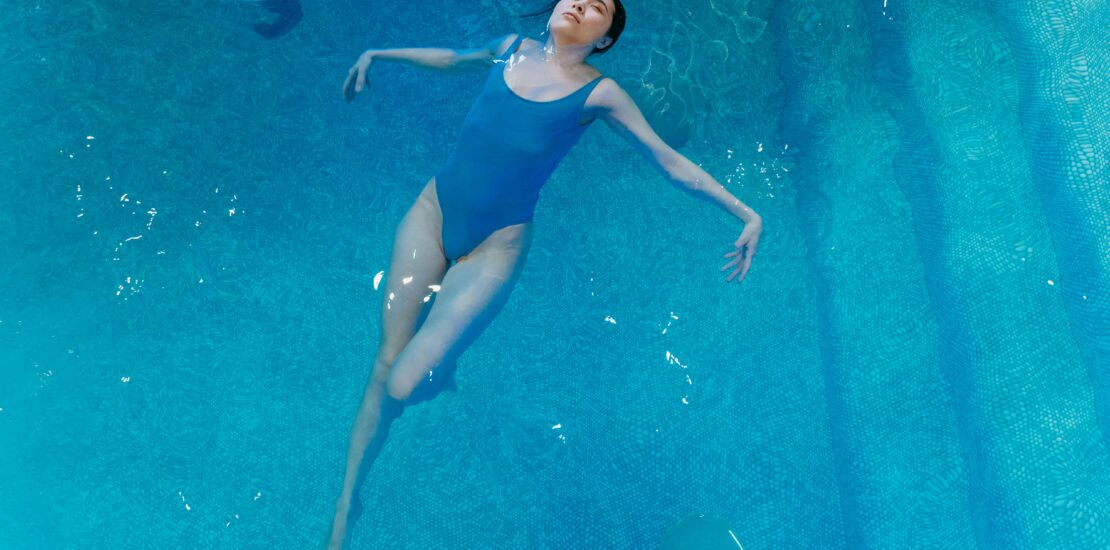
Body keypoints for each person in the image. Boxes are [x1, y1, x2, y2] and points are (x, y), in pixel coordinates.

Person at [327, 0, 763, 547]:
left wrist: (746, 212)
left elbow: (667, 159)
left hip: (492, 248)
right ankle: (347, 506)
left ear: (604, 38)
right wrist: (378, 53)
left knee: (406, 382)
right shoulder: (510, 49)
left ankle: (441, 366)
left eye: (599, 6)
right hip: (432, 212)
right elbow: (451, 58)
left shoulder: (598, 93)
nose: (581, 2)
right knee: (383, 365)